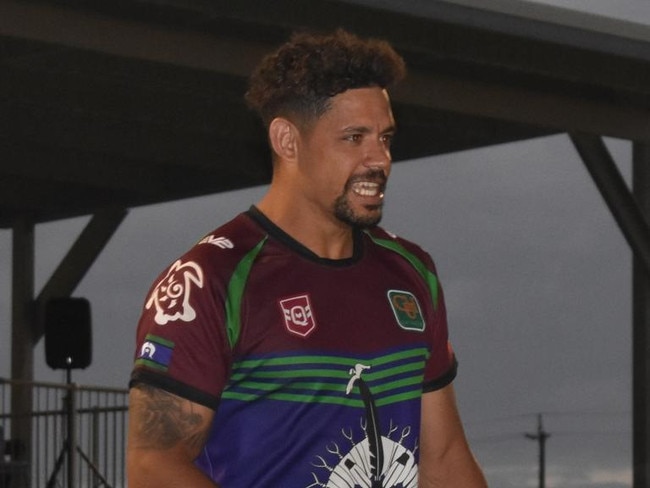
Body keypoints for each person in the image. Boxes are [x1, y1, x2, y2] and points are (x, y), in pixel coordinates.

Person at [127, 29, 487, 487]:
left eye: (386, 138)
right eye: (354, 138)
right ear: (287, 140)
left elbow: (444, 456)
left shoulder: (412, 270)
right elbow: (153, 467)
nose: (380, 159)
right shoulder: (209, 279)